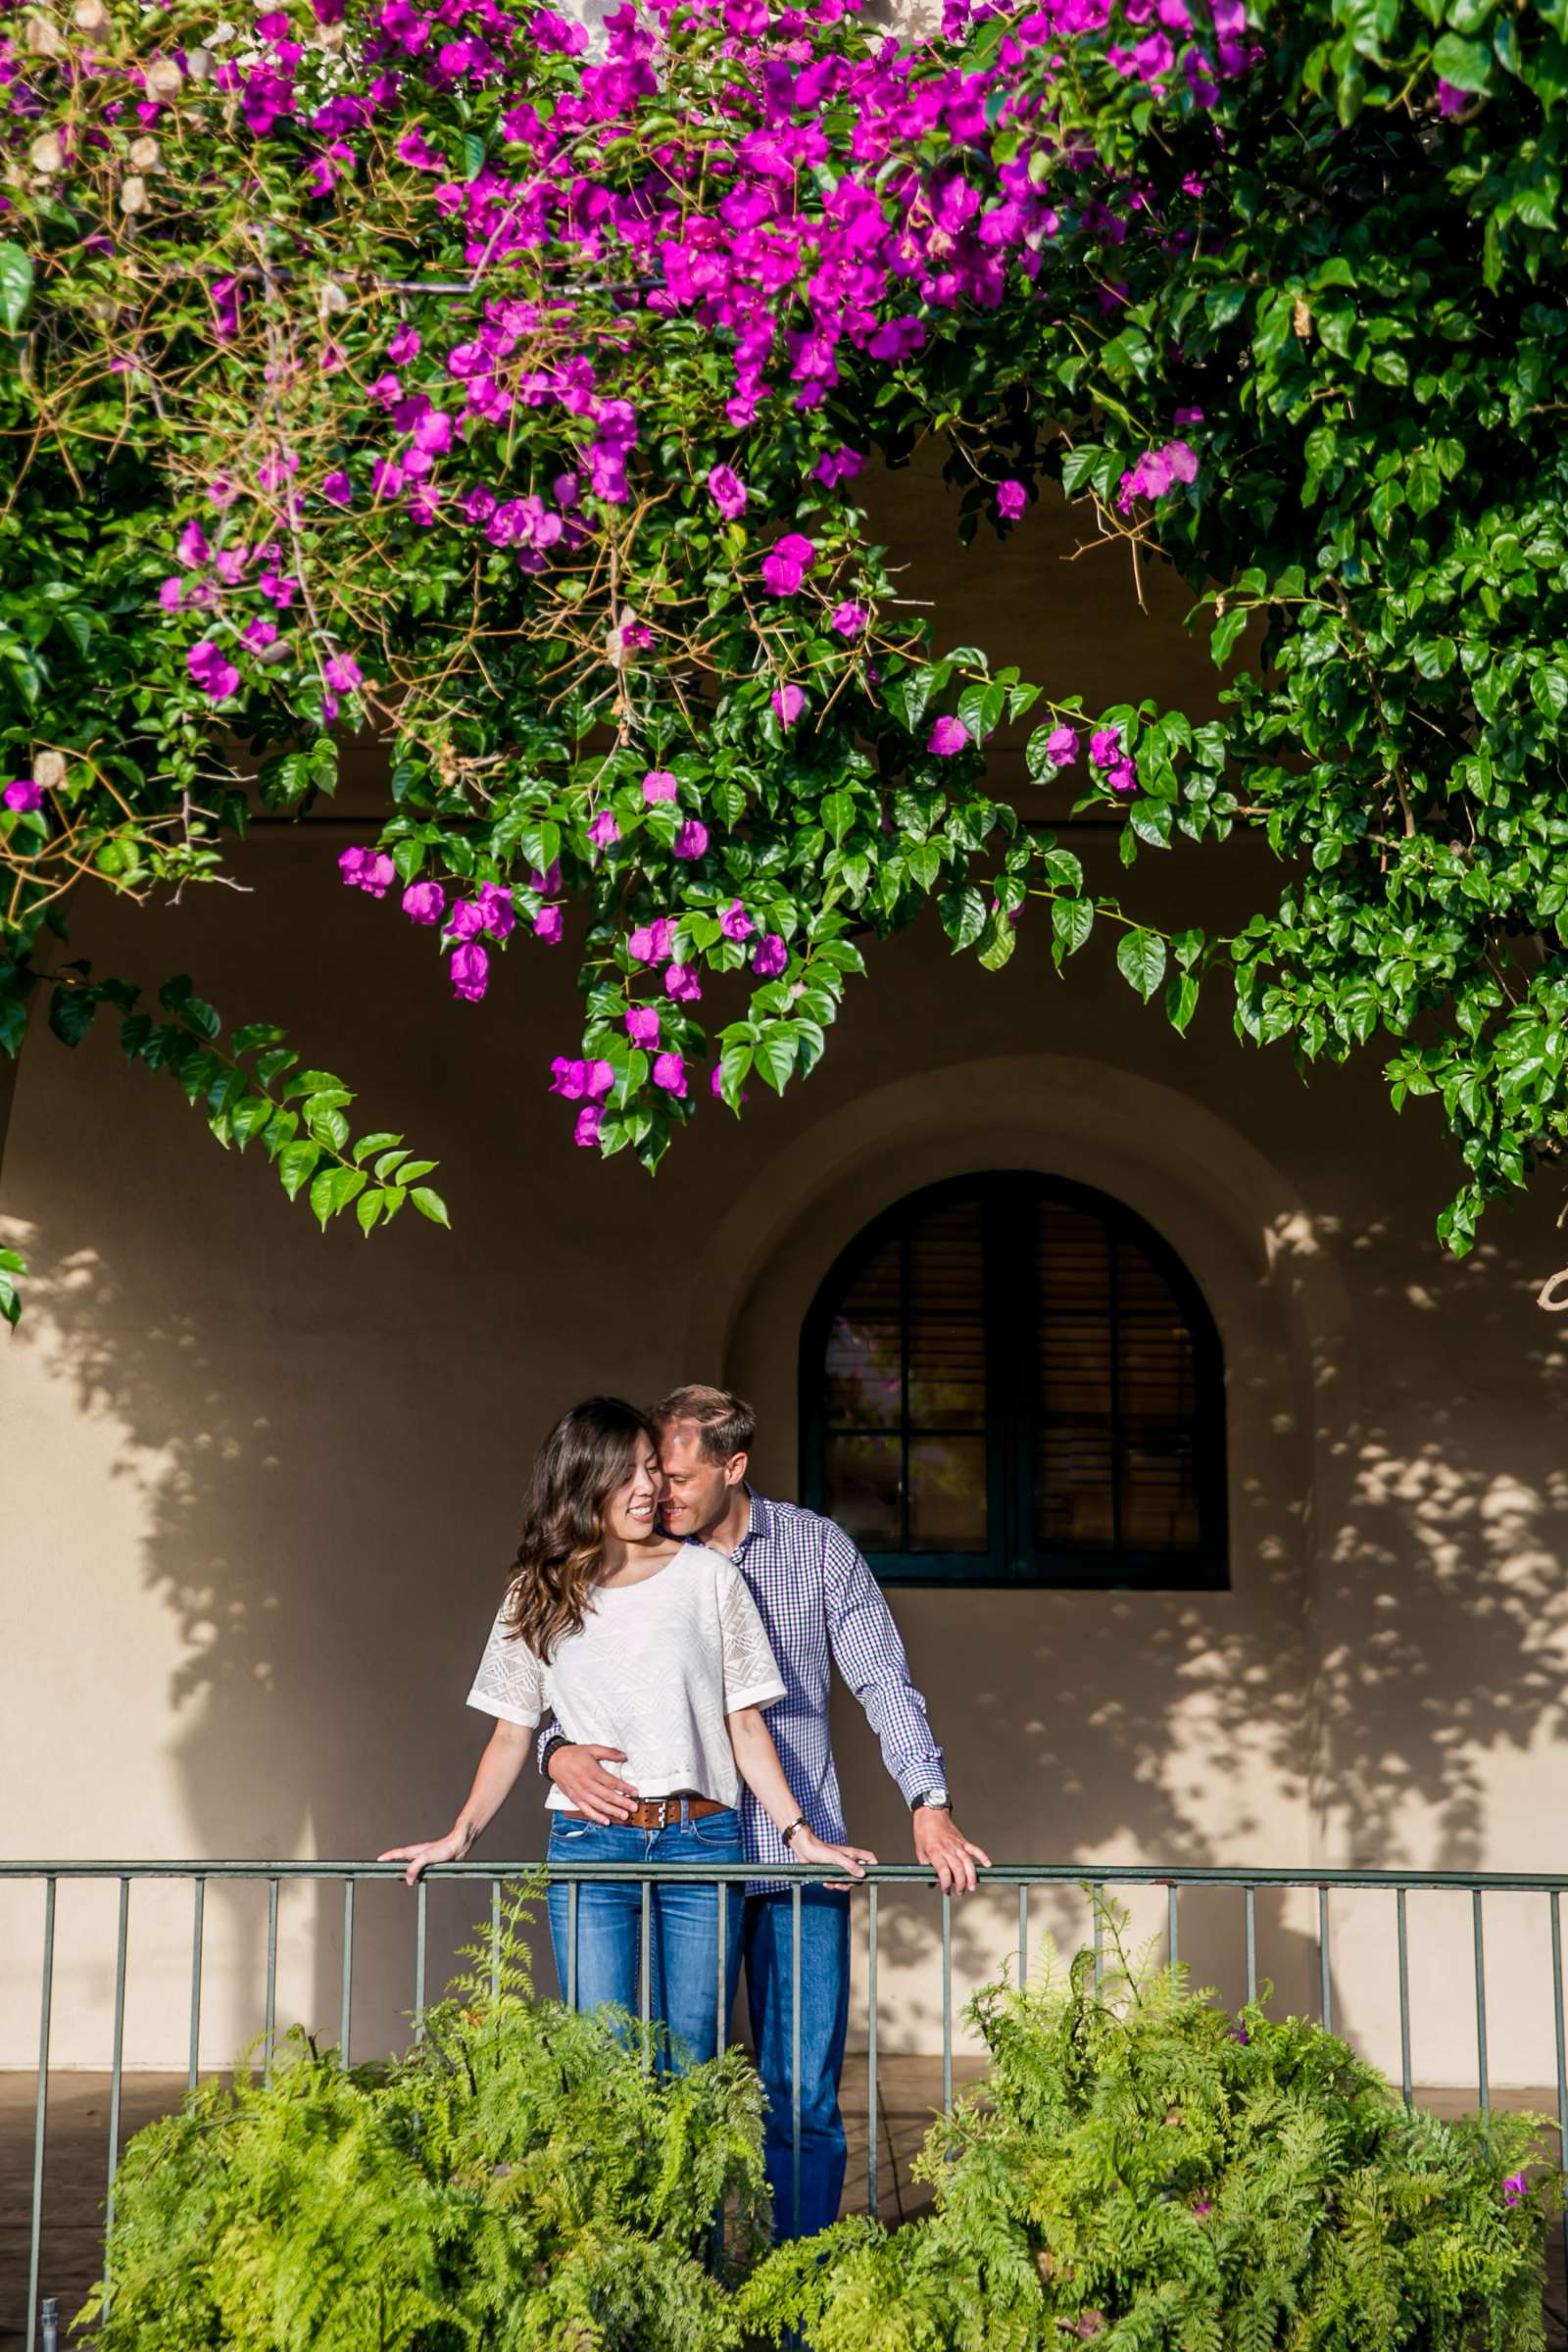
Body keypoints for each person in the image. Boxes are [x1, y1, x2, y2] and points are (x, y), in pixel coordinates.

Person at [541, 1385, 990, 2237]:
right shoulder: (616, 1559)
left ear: (732, 1467)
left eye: (673, 1476)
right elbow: (572, 1688)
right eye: (647, 1475)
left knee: (802, 2097)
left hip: (794, 1859)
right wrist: (552, 1750)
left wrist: (928, 1802)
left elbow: (884, 1683)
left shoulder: (816, 1551)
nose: (655, 1493)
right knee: (668, 2088)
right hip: (677, 1854)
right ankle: (684, 2281)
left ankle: (799, 2299)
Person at [378, 1396, 873, 2074]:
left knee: (692, 2066)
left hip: (701, 1844)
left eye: (652, 1469)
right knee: (600, 2064)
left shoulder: (711, 1579)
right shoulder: (538, 1590)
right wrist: (460, 1834)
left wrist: (799, 1834)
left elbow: (745, 1724)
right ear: (583, 1483)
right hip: (590, 1848)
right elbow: (511, 1733)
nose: (649, 1488)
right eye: (629, 1474)